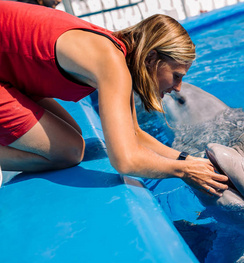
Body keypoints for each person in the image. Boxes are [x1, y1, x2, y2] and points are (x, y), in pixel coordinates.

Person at [0, 1, 228, 196]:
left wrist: (187, 160)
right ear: (151, 58)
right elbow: (124, 160)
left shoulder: (118, 54)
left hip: (8, 72)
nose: (178, 87)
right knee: (68, 151)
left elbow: (134, 134)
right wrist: (184, 172)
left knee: (73, 137)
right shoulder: (112, 65)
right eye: (176, 75)